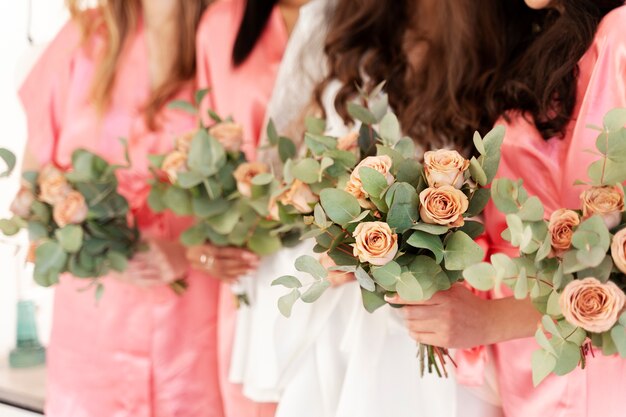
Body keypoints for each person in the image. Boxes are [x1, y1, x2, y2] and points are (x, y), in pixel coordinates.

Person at [266, 0, 528, 415]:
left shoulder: (511, 29)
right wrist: (331, 229)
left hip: (445, 315)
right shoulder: (334, 17)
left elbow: (517, 191)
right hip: (338, 319)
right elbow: (280, 168)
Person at [395, 0, 626, 416]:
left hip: (596, 381)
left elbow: (613, 263)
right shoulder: (552, 37)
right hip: (531, 376)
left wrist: (487, 320)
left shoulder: (621, 37)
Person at [17, 1, 222, 416]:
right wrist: (100, 249)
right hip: (91, 343)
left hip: (198, 341)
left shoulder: (229, 37)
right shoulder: (81, 39)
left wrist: (188, 253)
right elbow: (32, 192)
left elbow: (268, 199)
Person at [189, 1, 311, 416]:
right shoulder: (222, 24)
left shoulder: (369, 18)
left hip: (347, 262)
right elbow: (204, 155)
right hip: (252, 264)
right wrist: (209, 243)